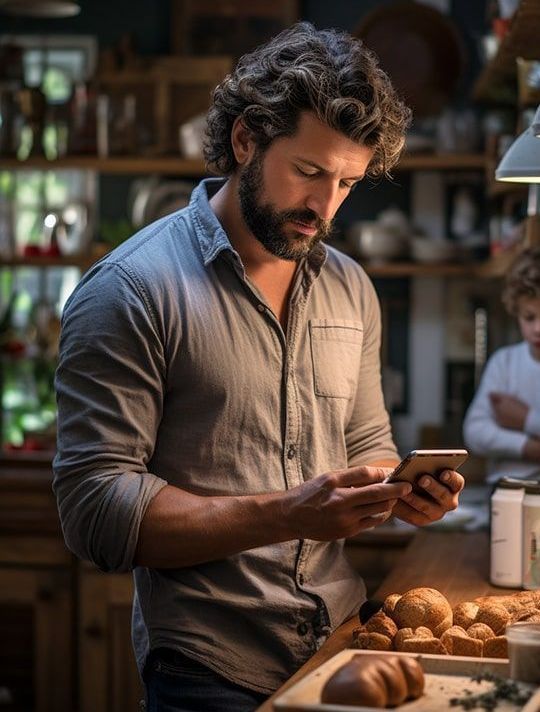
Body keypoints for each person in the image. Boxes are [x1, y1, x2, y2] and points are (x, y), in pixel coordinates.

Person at [53, 22, 464, 712]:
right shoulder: (130, 289)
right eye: (308, 172)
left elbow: (367, 445)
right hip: (208, 670)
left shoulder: (351, 288)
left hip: (343, 643)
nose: (324, 207)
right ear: (246, 140)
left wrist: (401, 494)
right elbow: (95, 512)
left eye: (347, 183)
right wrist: (290, 513)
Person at [464, 246, 540, 483]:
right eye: (529, 317)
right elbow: (475, 431)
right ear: (515, 312)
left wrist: (526, 419)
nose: (538, 329)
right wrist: (529, 448)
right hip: (506, 488)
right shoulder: (504, 363)